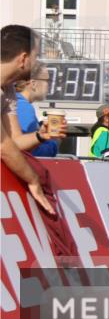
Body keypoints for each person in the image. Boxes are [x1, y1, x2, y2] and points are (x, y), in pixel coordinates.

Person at [1, 25, 55, 214]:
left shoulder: (8, 90)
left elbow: (14, 141)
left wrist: (39, 136)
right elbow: (3, 146)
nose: (37, 62)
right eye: (36, 56)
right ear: (23, 58)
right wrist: (32, 179)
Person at [12, 62, 64, 157]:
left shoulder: (15, 103)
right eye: (47, 80)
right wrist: (54, 141)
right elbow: (29, 152)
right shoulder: (24, 108)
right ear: (33, 84)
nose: (49, 85)